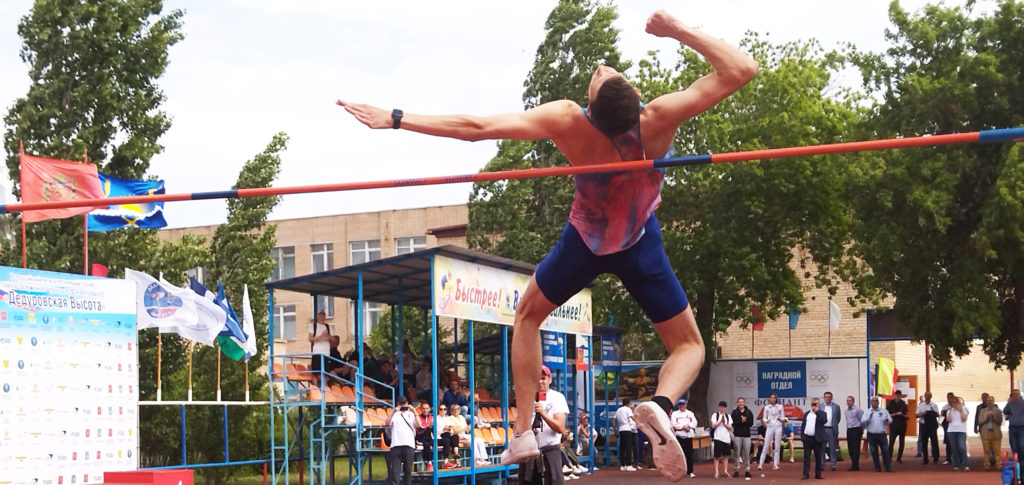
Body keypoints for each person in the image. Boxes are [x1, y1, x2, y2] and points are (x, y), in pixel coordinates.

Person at [337, 10, 758, 481]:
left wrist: (397, 118)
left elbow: (478, 126)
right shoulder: (658, 117)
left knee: (528, 316)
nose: (600, 67)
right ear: (634, 99)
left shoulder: (569, 120)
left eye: (601, 74)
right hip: (639, 242)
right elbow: (742, 69)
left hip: (586, 243)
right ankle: (660, 403)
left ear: (591, 111)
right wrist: (677, 30)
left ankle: (522, 432)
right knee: (689, 346)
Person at [519, 365, 569, 485]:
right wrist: (528, 431)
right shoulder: (526, 398)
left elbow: (560, 428)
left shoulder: (557, 397)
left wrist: (542, 413)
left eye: (543, 378)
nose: (540, 381)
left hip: (549, 452)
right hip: (529, 453)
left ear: (549, 379)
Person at [385, 396, 417, 485]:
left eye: (404, 403)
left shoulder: (411, 414)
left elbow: (419, 424)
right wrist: (393, 411)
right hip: (396, 445)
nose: (403, 405)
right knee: (395, 472)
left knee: (407, 471)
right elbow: (387, 423)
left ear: (407, 403)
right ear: (397, 404)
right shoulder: (395, 414)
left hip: (409, 445)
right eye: (401, 404)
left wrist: (414, 412)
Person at [758, 393, 787, 471]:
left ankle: (775, 464)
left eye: (774, 398)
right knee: (766, 444)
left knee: (777, 446)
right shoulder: (767, 407)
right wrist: (766, 421)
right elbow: (764, 418)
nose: (772, 399)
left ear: (776, 399)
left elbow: (783, 417)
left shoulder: (780, 407)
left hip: (778, 426)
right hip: (770, 426)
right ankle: (760, 464)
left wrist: (782, 420)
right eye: (771, 398)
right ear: (769, 399)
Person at [864, 397, 892, 473]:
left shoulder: (884, 411)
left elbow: (890, 420)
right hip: (871, 434)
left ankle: (888, 467)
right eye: (873, 401)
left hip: (881, 434)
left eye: (877, 401)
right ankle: (877, 467)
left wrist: (887, 420)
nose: (875, 402)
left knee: (885, 451)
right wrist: (869, 417)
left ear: (878, 402)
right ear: (871, 402)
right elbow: (862, 421)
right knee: (873, 451)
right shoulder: (867, 412)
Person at [671, 398, 697, 478]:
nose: (681, 406)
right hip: (679, 436)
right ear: (678, 405)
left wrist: (688, 426)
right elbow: (673, 424)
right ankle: (678, 471)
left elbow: (694, 422)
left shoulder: (690, 413)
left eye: (683, 404)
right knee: (678, 455)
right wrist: (683, 427)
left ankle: (690, 471)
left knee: (689, 455)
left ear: (685, 405)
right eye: (680, 405)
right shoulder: (675, 414)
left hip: (688, 436)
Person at [801, 398, 826, 480]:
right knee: (806, 457)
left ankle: (818, 474)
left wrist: (817, 411)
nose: (814, 405)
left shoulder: (822, 413)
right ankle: (805, 474)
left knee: (818, 457)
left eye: (816, 404)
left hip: (817, 438)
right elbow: (803, 425)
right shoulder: (806, 414)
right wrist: (802, 436)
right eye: (813, 404)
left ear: (819, 404)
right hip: (807, 438)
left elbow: (824, 420)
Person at [977, 394, 1003, 471]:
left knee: (997, 450)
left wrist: (994, 416)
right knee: (986, 450)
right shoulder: (982, 411)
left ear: (993, 401)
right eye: (988, 401)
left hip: (995, 432)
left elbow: (1000, 422)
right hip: (986, 432)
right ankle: (986, 465)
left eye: (991, 401)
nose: (989, 402)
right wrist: (986, 417)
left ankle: (998, 464)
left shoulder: (998, 411)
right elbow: (980, 421)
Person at [731, 397, 754, 479]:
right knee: (737, 453)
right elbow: (734, 423)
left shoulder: (749, 412)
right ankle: (736, 470)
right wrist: (741, 421)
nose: (741, 403)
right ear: (737, 403)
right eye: (739, 402)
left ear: (744, 403)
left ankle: (747, 470)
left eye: (742, 402)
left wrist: (745, 421)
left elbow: (751, 423)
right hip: (737, 435)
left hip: (746, 435)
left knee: (746, 453)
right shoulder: (734, 412)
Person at [710, 401, 734, 479]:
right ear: (718, 407)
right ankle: (716, 472)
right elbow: (713, 425)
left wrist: (724, 423)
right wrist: (720, 421)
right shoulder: (715, 415)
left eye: (724, 407)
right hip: (718, 438)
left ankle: (725, 471)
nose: (722, 408)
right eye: (721, 406)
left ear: (725, 408)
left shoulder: (728, 416)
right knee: (717, 456)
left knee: (725, 456)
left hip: (726, 438)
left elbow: (730, 427)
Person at [915, 391, 940, 465]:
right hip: (924, 425)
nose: (927, 397)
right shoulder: (921, 405)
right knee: (924, 442)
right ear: (925, 396)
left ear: (931, 397)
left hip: (932, 425)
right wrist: (923, 413)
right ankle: (925, 458)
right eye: (926, 396)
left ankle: (936, 458)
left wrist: (931, 413)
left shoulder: (934, 405)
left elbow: (937, 414)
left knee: (934, 442)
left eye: (929, 396)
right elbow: (916, 415)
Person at [945, 394, 969, 471]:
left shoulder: (964, 408)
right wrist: (950, 411)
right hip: (951, 430)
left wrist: (960, 410)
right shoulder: (950, 410)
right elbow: (948, 420)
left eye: (954, 403)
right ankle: (956, 464)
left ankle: (965, 464)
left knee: (961, 447)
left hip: (961, 430)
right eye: (952, 403)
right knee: (954, 448)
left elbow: (964, 419)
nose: (953, 405)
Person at [307, 311, 331, 384]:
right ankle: (316, 389)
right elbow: (310, 339)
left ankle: (325, 390)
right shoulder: (313, 326)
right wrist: (321, 336)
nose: (322, 316)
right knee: (315, 373)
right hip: (317, 352)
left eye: (323, 314)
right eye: (320, 314)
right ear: (317, 315)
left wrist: (327, 336)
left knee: (325, 374)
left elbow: (334, 339)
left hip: (326, 353)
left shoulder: (328, 327)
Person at [885, 389, 908, 464]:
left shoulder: (903, 404)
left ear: (901, 396)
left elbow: (907, 416)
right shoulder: (890, 404)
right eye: (896, 395)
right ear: (894, 395)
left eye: (899, 395)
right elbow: (886, 415)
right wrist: (895, 414)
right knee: (891, 442)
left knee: (902, 443)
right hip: (893, 426)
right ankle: (889, 457)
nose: (897, 397)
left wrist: (902, 415)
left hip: (902, 426)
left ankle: (899, 457)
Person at [615, 399, 638, 471]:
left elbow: (613, 420)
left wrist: (615, 429)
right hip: (627, 429)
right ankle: (628, 465)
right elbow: (632, 417)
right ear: (628, 403)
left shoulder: (618, 410)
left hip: (621, 430)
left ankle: (622, 465)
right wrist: (638, 421)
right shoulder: (628, 409)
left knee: (622, 448)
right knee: (628, 448)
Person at [821, 391, 841, 470]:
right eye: (826, 397)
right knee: (822, 448)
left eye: (829, 397)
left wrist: (834, 424)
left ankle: (833, 465)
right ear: (824, 398)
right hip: (823, 430)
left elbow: (838, 418)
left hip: (832, 430)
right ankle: (822, 465)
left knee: (832, 448)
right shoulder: (820, 406)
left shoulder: (836, 406)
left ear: (831, 398)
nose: (828, 398)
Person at [414, 401, 436, 472]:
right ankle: (429, 462)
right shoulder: (418, 417)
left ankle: (446, 462)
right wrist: (428, 427)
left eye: (427, 408)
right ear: (421, 409)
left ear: (429, 409)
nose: (425, 410)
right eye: (423, 408)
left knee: (445, 441)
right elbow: (418, 430)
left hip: (429, 438)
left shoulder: (432, 417)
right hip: (420, 438)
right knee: (427, 443)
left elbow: (434, 431)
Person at [845, 395, 864, 471]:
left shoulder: (858, 410)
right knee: (850, 448)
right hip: (849, 430)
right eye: (847, 400)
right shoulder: (846, 411)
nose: (848, 402)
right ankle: (853, 463)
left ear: (853, 401)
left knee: (856, 448)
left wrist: (861, 430)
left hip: (856, 430)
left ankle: (855, 465)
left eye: (850, 400)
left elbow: (862, 420)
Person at [1004, 389, 1024, 458]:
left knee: (1022, 445)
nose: (1015, 395)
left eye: (1017, 394)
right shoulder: (1010, 404)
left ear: (1020, 395)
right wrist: (1008, 402)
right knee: (1013, 444)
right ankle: (1016, 458)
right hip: (1012, 427)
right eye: (1014, 394)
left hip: (1022, 427)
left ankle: (1022, 459)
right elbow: (1005, 411)